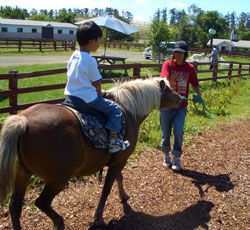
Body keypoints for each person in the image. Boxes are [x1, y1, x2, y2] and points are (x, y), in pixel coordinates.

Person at [64, 21, 129, 153]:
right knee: (115, 109)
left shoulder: (73, 56)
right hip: (87, 100)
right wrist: (101, 93)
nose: (100, 42)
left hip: (71, 96)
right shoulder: (90, 60)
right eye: (99, 39)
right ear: (92, 40)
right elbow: (96, 84)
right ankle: (114, 141)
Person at [160, 41, 201, 171]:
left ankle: (176, 157)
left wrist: (199, 96)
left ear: (185, 54)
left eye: (180, 53)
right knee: (166, 132)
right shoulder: (168, 64)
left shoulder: (189, 68)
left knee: (178, 131)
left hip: (181, 106)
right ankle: (166, 155)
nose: (177, 55)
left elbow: (194, 84)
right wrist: (166, 86)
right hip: (166, 105)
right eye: (175, 52)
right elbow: (164, 78)